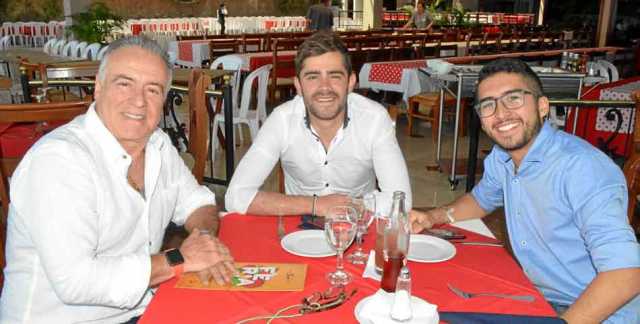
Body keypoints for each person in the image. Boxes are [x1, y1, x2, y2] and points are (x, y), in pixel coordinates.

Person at [0, 36, 236, 323]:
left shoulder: (158, 145)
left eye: (153, 90)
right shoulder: (59, 161)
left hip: (141, 309)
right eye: (124, 83)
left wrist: (204, 240)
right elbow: (77, 282)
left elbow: (198, 203)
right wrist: (179, 259)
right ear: (98, 88)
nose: (138, 101)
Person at [410, 58, 640, 323]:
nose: (501, 113)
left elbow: (626, 273)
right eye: (488, 105)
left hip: (595, 313)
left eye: (514, 98)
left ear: (543, 107)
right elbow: (480, 200)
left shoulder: (582, 168)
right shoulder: (502, 157)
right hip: (537, 298)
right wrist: (433, 217)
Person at [225, 31, 412, 217]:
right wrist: (316, 205)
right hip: (298, 229)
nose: (325, 87)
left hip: (358, 228)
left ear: (351, 82)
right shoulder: (282, 119)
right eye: (313, 77)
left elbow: (402, 201)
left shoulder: (374, 119)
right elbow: (235, 197)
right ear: (298, 85)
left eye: (335, 76)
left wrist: (353, 205)